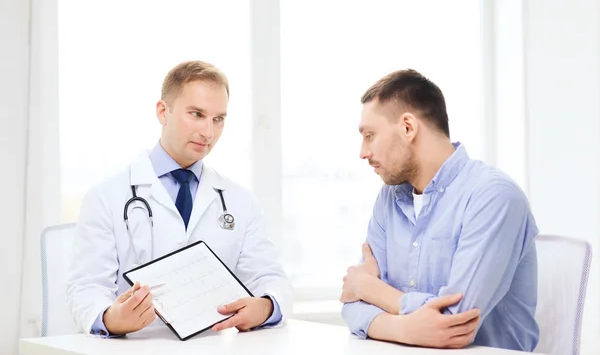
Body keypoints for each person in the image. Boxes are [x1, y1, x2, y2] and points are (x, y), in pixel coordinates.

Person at [67, 60, 292, 337]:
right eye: (197, 114)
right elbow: (86, 289)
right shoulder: (106, 196)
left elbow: (270, 278)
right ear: (163, 112)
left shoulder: (240, 202)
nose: (208, 132)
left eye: (218, 119)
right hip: (135, 347)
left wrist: (265, 307)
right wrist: (110, 318)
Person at [340, 69, 539, 351]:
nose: (363, 152)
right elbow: (351, 303)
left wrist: (372, 289)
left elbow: (454, 323)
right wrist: (403, 328)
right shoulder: (390, 199)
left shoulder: (494, 195)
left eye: (370, 135)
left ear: (408, 127)